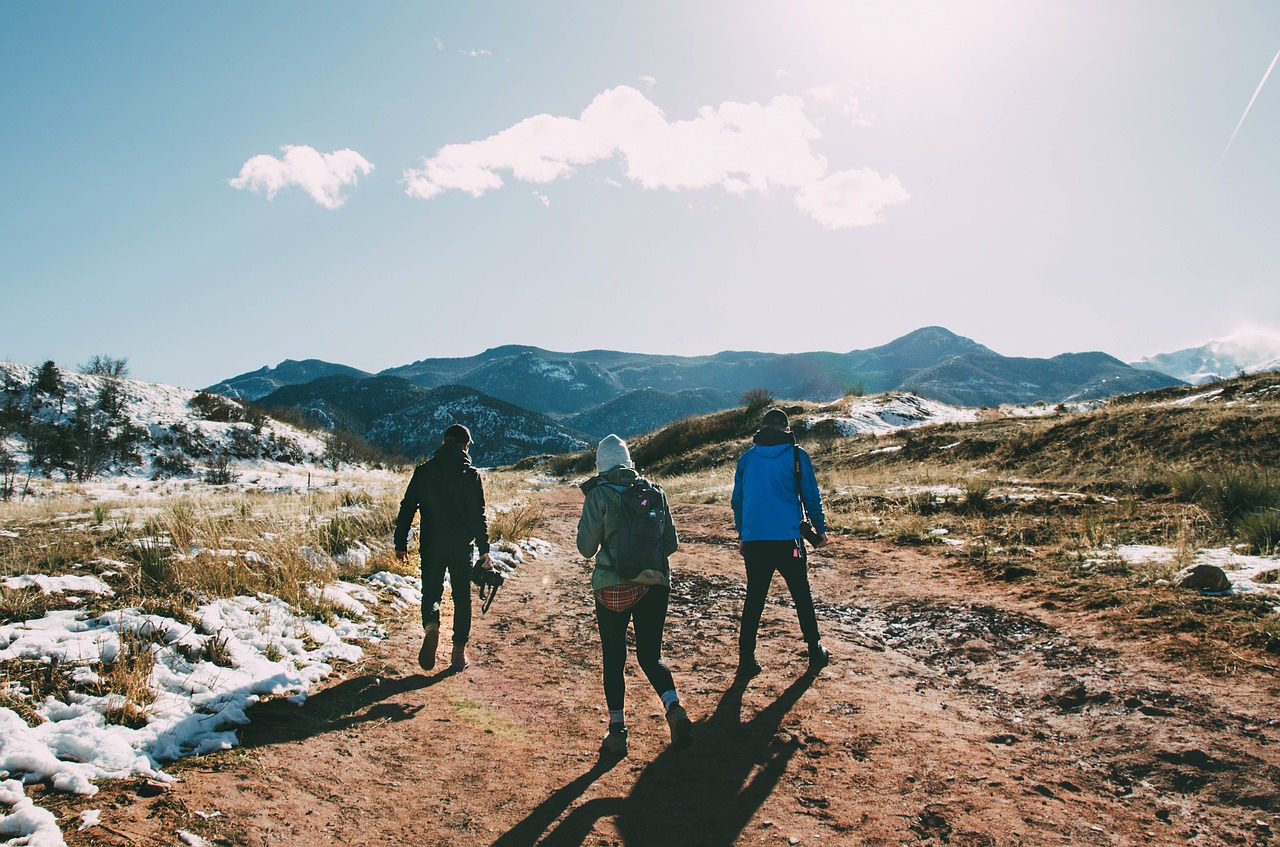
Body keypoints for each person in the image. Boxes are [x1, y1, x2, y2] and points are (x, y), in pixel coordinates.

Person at [577, 434, 692, 756]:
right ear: (629, 462)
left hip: (612, 585)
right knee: (650, 655)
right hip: (655, 581)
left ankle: (617, 732)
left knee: (614, 657)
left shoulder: (598, 495)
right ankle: (673, 708)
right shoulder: (654, 492)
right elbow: (671, 544)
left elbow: (585, 549)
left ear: (600, 464)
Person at [730, 407, 831, 677]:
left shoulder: (746, 459)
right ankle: (814, 651)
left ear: (763, 430)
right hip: (788, 540)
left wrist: (742, 534)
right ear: (787, 430)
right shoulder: (797, 456)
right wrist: (819, 529)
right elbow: (810, 496)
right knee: (801, 594)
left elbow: (738, 501)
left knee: (755, 598)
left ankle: (746, 660)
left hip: (755, 541)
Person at [395, 423, 492, 673]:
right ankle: (458, 653)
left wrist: (400, 543)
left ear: (443, 443)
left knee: (431, 593)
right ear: (465, 446)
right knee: (461, 598)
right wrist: (484, 550)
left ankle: (431, 626)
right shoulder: (471, 475)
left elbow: (407, 508)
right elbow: (477, 516)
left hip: (431, 545)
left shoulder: (423, 472)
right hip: (460, 547)